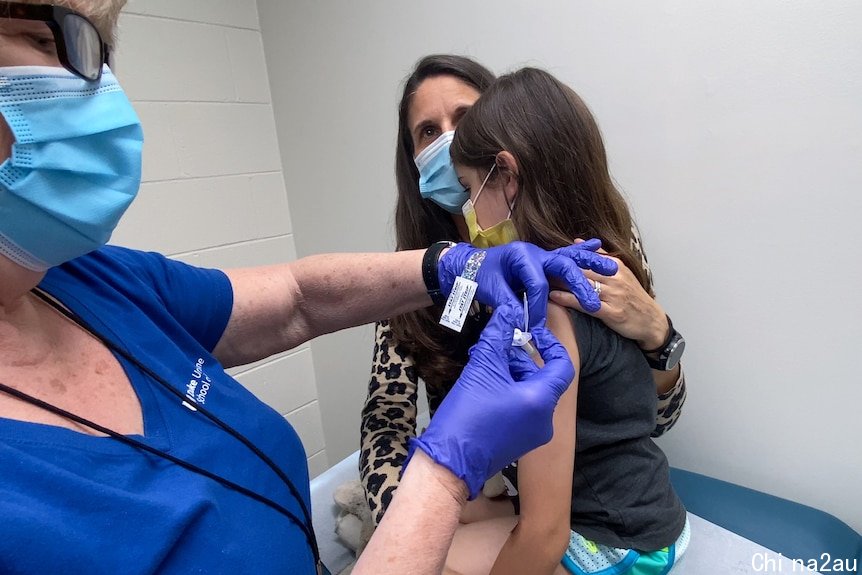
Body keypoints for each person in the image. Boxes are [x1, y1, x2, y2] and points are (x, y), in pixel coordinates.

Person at [0, 3, 619, 574]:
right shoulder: (413, 305)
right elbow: (386, 427)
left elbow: (299, 297)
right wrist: (441, 485)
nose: (95, 87)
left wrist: (658, 343)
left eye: (91, 53)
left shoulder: (88, 280)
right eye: (41, 37)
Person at [359, 55, 688, 530]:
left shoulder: (587, 250)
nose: (449, 140)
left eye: (465, 118)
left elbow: (654, 418)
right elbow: (384, 424)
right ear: (411, 159)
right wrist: (417, 527)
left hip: (580, 512)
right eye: (428, 131)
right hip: (474, 492)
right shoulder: (413, 277)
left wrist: (660, 336)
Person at [441, 67, 688, 575]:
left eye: (469, 189)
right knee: (455, 516)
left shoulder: (549, 310)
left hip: (619, 545)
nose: (469, 212)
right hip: (650, 513)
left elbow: (544, 535)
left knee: (427, 557)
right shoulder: (602, 266)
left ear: (506, 176)